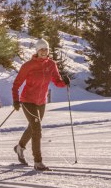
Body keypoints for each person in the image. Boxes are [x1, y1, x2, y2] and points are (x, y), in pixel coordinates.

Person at [11, 38, 70, 171]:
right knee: (37, 129)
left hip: (41, 101)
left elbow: (57, 81)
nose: (44, 51)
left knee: (33, 128)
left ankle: (19, 147)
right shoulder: (28, 65)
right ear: (37, 51)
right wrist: (15, 100)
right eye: (41, 49)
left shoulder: (51, 64)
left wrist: (64, 82)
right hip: (27, 100)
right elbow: (16, 85)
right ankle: (38, 162)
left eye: (46, 49)